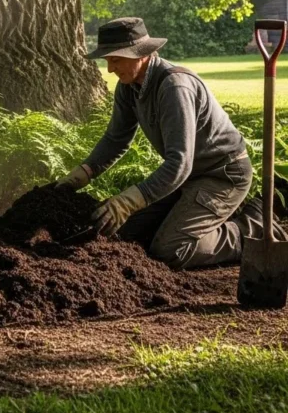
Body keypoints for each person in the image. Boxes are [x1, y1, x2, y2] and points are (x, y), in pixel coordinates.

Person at [57, 16, 274, 270]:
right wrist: (83, 173)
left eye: (115, 59)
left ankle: (249, 228)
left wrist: (128, 202)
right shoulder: (129, 88)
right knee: (124, 234)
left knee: (170, 250)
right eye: (108, 60)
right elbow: (116, 139)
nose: (110, 69)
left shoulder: (174, 87)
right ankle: (202, 217)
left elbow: (179, 163)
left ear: (139, 54)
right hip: (188, 178)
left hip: (223, 176)